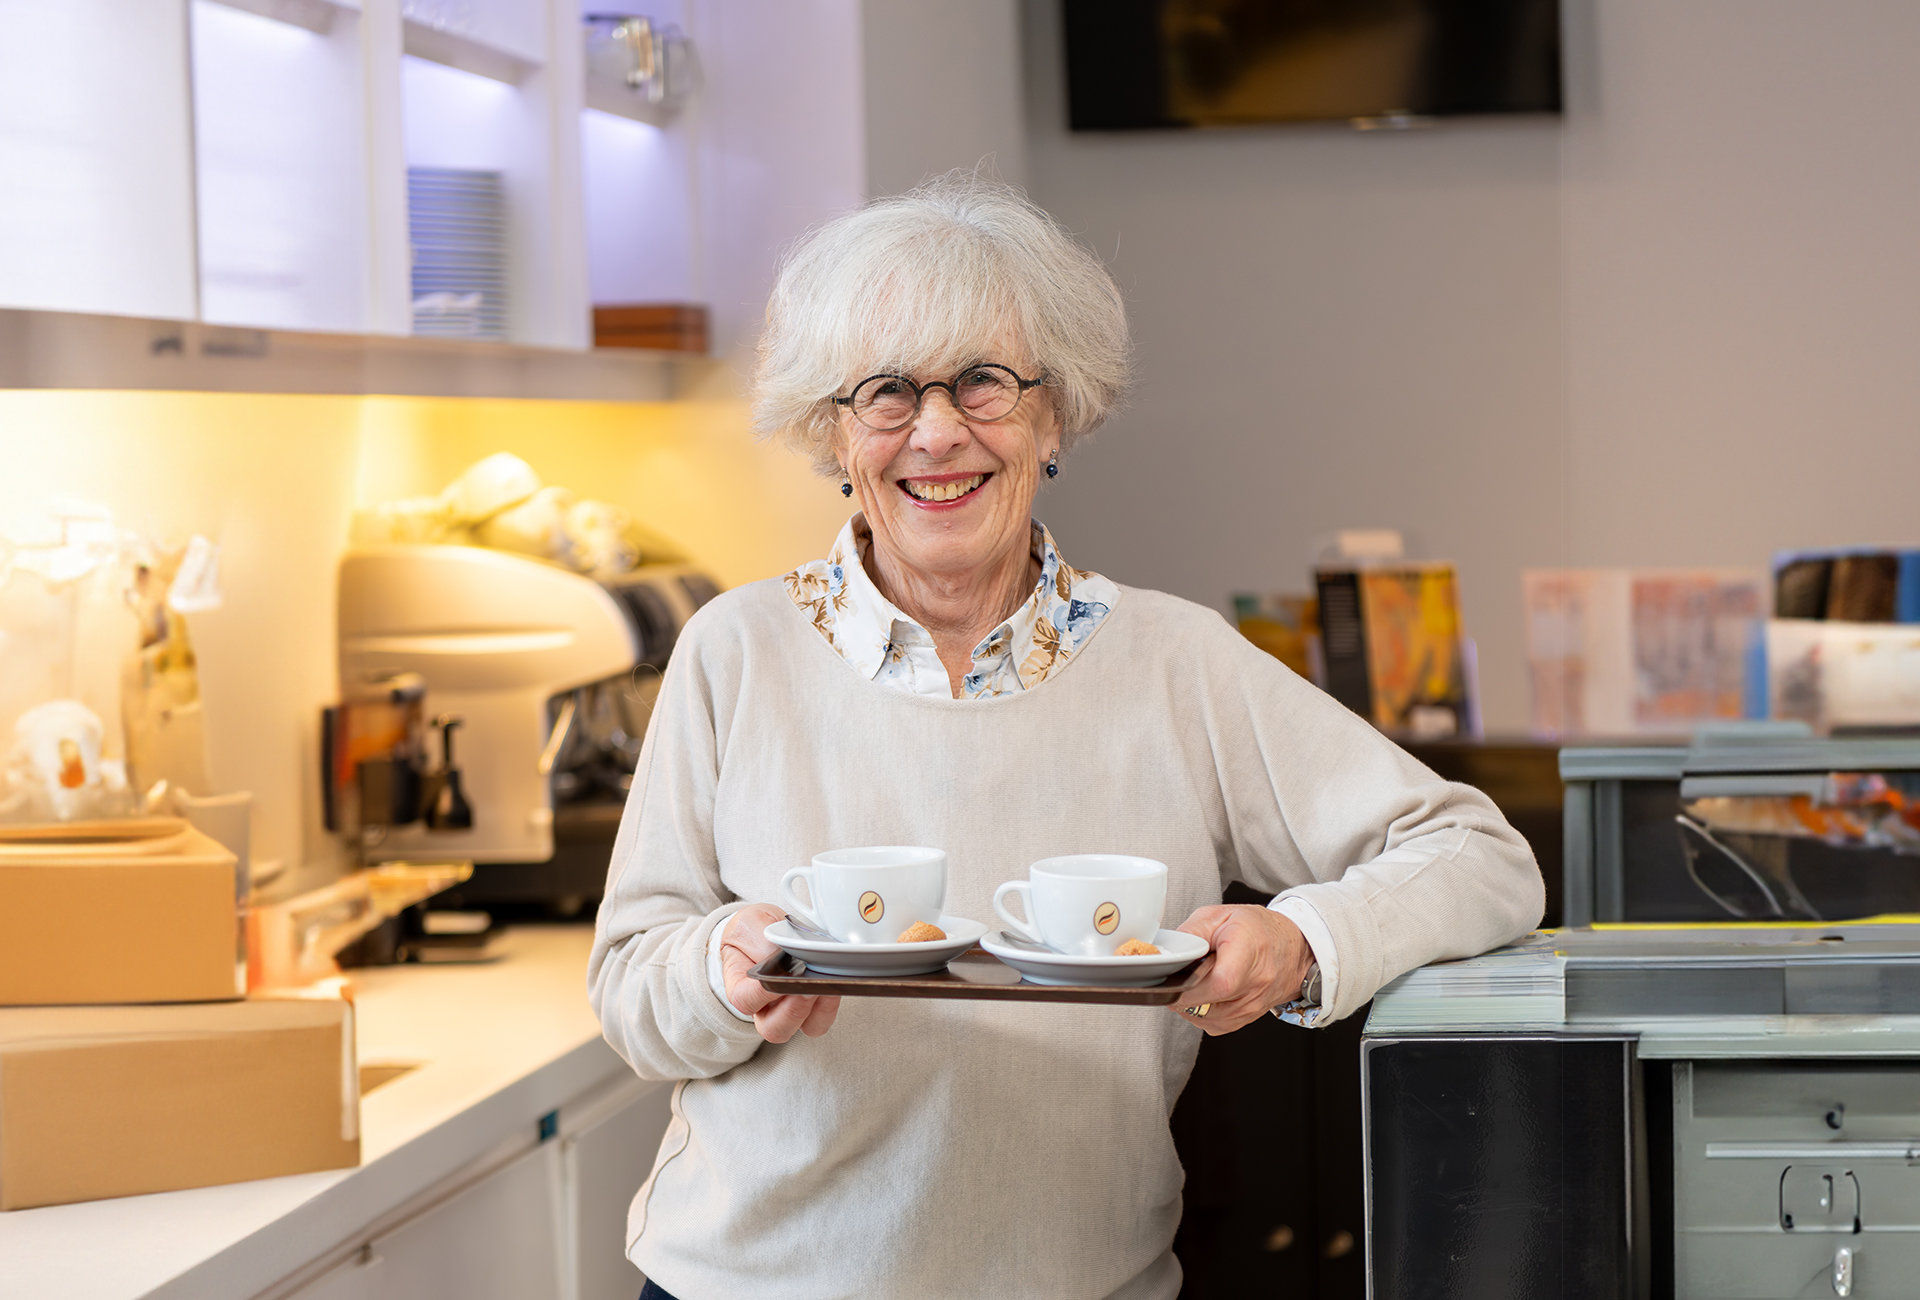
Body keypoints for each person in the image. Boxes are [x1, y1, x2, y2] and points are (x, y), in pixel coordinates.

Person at [588, 172, 1543, 1300]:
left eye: (984, 383)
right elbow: (631, 987)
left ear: (1055, 415)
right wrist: (720, 968)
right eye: (886, 393)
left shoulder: (1176, 663)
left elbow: (1482, 857)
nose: (936, 434)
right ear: (834, 432)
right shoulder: (735, 650)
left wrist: (1303, 941)